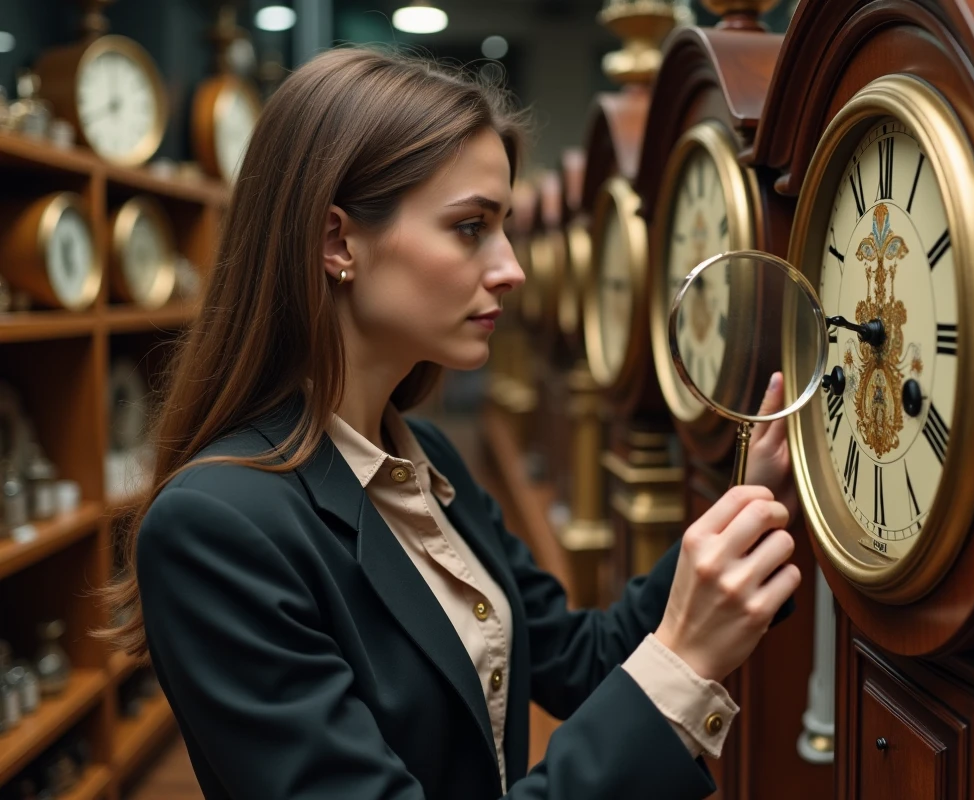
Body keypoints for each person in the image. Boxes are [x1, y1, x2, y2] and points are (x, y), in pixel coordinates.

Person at [101, 47, 803, 800]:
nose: (512, 267)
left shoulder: (420, 457)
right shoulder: (214, 529)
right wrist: (680, 664)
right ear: (338, 242)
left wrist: (748, 498)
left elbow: (580, 655)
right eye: (471, 227)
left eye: (503, 226)